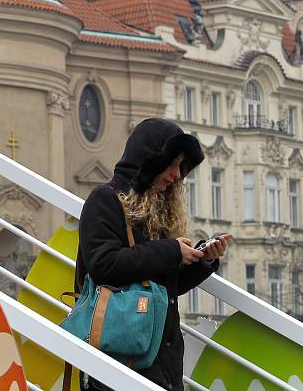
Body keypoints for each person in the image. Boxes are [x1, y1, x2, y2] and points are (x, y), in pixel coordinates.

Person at [75, 118, 230, 391]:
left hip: (160, 362)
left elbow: (164, 287)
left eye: (181, 167)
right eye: (171, 164)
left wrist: (203, 259)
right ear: (148, 160)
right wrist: (170, 251)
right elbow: (103, 265)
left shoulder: (157, 211)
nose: (175, 175)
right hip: (118, 361)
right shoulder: (105, 200)